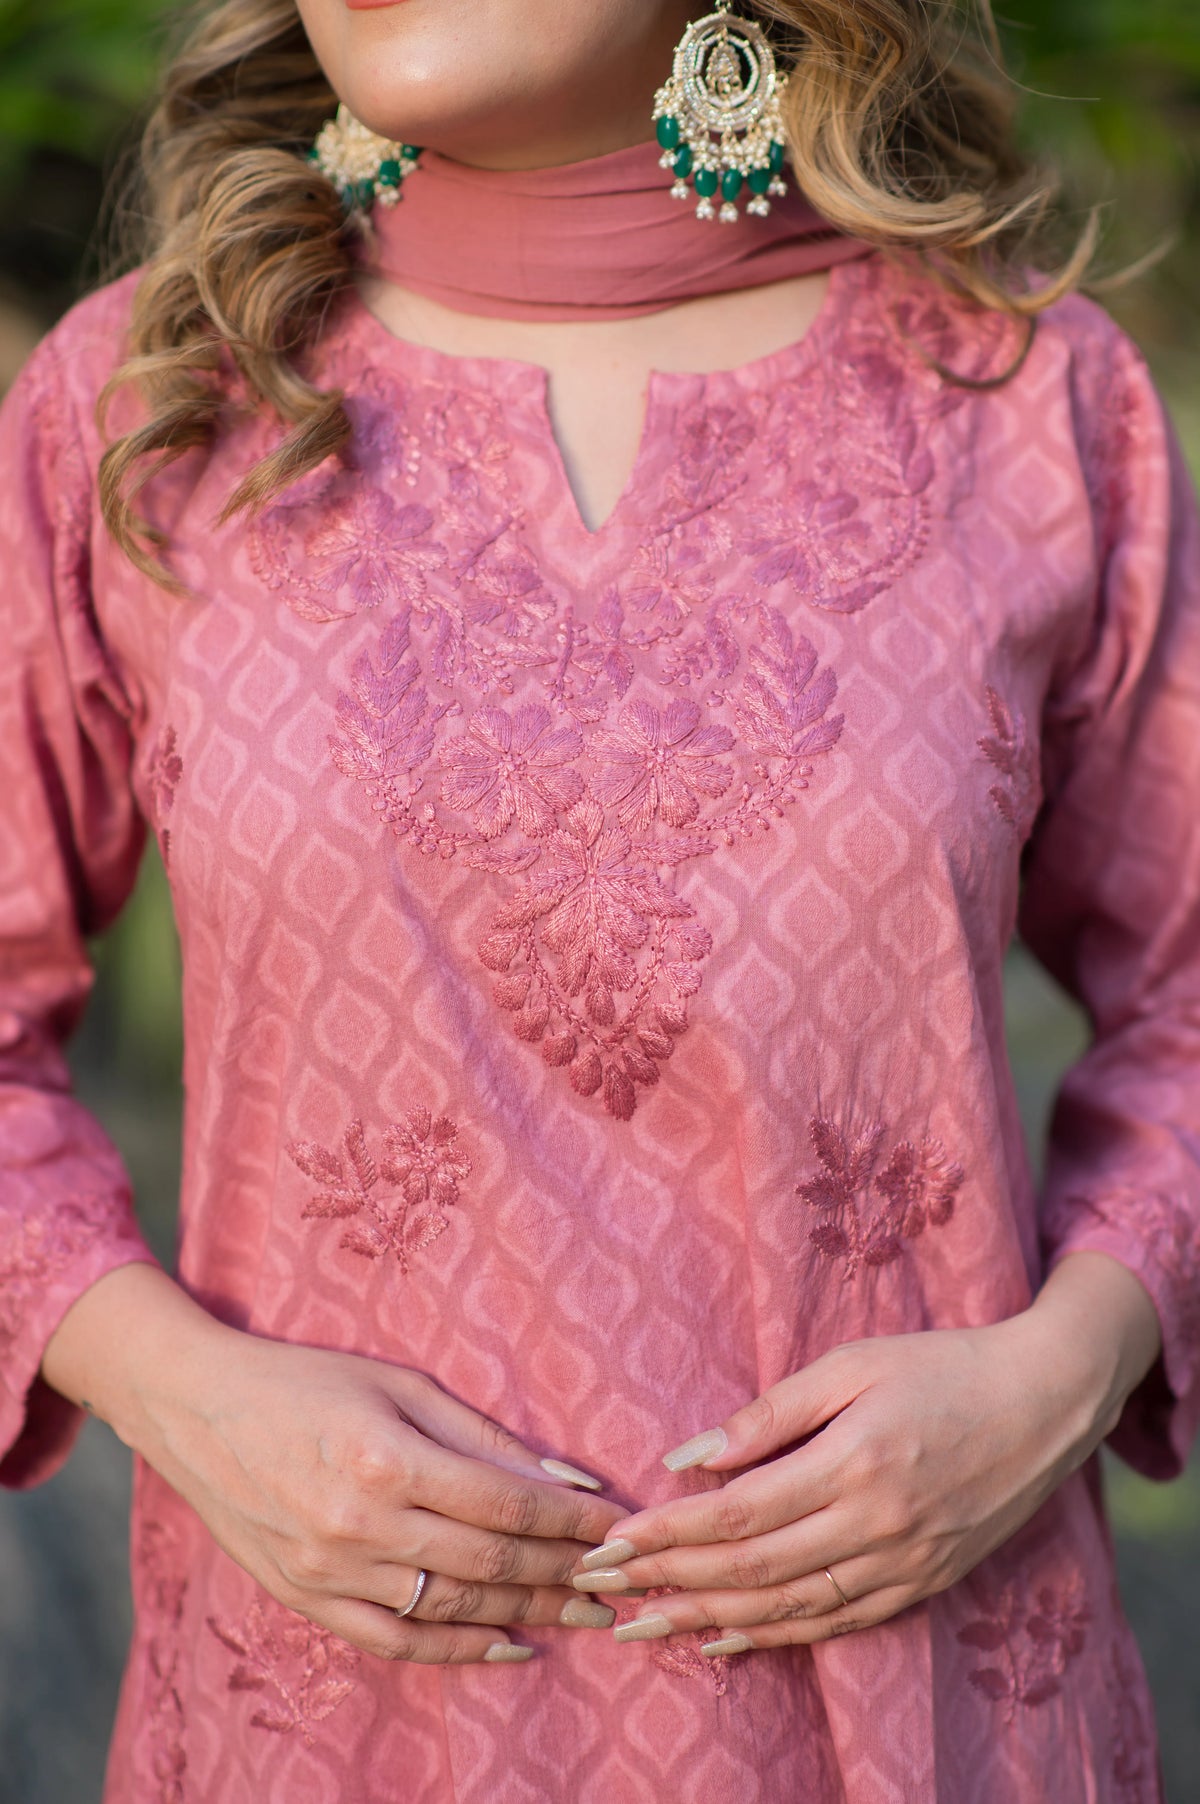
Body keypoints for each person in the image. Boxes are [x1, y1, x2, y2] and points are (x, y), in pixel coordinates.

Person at [1, 0, 1196, 1798]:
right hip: (327, 1730)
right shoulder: (152, 406)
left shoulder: (1031, 406)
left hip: (926, 1717)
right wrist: (187, 1400)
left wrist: (1062, 1374)